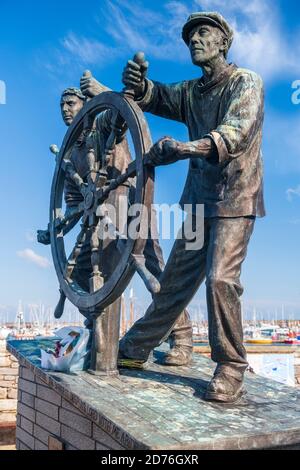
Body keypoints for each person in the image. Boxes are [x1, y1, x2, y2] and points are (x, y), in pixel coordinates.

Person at [119, 11, 265, 403]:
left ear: (223, 42)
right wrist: (139, 85)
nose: (194, 41)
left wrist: (183, 149)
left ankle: (231, 366)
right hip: (200, 202)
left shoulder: (246, 83)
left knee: (220, 279)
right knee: (174, 283)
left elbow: (233, 135)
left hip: (235, 199)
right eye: (189, 37)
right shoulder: (191, 92)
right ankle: (135, 348)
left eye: (203, 33)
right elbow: (157, 96)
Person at [37, 82, 193, 366]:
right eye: (61, 105)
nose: (64, 110)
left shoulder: (104, 126)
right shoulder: (71, 153)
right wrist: (56, 229)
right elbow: (75, 204)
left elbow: (122, 109)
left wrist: (101, 92)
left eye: (70, 103)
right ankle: (98, 331)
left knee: (152, 267)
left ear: (85, 105)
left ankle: (181, 336)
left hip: (129, 203)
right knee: (84, 271)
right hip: (96, 220)